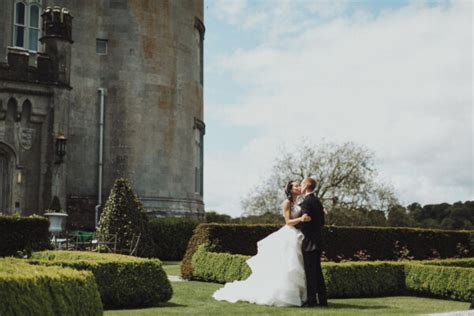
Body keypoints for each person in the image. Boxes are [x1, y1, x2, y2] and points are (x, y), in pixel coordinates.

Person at [212, 180, 312, 306]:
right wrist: (301, 219)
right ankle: (283, 295)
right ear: (291, 189)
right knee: (288, 263)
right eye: (296, 186)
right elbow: (287, 221)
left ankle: (298, 295)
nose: (299, 187)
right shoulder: (287, 203)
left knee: (296, 264)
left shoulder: (298, 203)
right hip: (289, 233)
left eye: (299, 185)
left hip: (296, 234)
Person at [295, 177, 328, 307]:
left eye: (302, 184)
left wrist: (296, 226)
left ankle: (312, 300)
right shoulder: (317, 201)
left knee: (310, 273)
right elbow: (322, 222)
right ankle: (323, 300)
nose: (300, 187)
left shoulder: (306, 202)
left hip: (309, 242)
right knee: (318, 273)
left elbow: (305, 221)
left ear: (307, 185)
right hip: (318, 241)